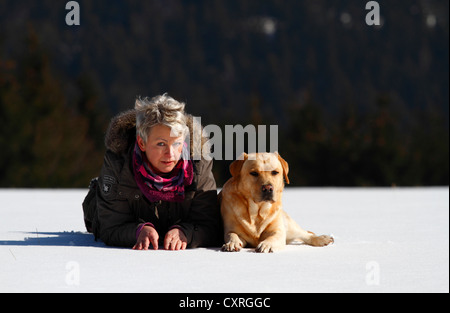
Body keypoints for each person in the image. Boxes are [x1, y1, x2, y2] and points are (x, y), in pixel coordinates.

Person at [82, 94, 222, 250]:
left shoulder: (198, 165)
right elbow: (110, 226)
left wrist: (186, 232)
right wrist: (137, 231)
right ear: (142, 143)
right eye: (161, 144)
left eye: (176, 143)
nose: (170, 153)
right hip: (106, 209)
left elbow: (210, 226)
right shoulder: (119, 164)